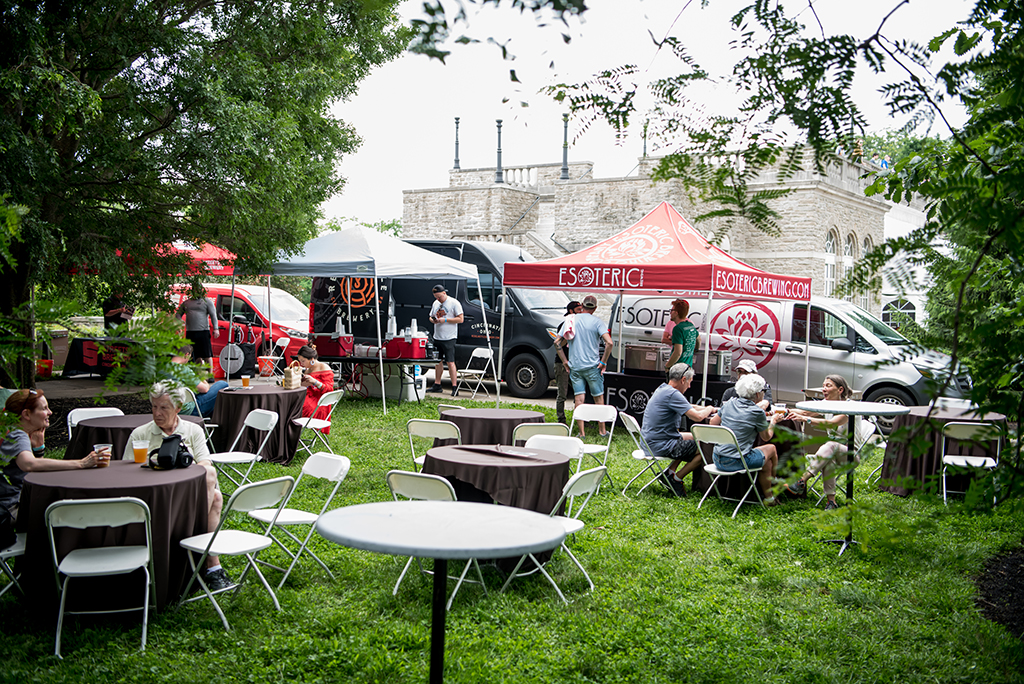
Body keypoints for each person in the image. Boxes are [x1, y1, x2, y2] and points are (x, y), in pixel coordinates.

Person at [124, 383, 230, 590]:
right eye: (154, 407)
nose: (157, 413)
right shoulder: (140, 434)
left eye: (164, 408)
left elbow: (206, 463)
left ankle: (206, 557)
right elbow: (126, 473)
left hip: (186, 497)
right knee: (216, 499)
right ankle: (211, 564)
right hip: (153, 499)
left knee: (210, 476)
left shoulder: (192, 430)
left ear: (179, 407)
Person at [2, 389, 101, 524]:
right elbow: (29, 464)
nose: (50, 412)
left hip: (12, 505)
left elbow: (35, 476)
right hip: (11, 509)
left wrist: (38, 450)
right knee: (74, 511)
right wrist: (81, 463)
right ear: (26, 414)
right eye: (44, 409)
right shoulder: (18, 435)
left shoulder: (8, 429)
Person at [641, 362, 719, 497]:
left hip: (650, 441)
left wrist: (714, 409)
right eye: (689, 382)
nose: (689, 386)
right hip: (660, 445)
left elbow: (688, 405)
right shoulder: (673, 395)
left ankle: (670, 472)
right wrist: (710, 409)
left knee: (693, 436)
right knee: (704, 447)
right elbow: (698, 417)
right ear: (683, 380)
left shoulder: (663, 389)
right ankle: (676, 479)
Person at [709, 373, 783, 507]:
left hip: (717, 458)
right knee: (771, 448)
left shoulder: (729, 403)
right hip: (737, 461)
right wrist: (773, 422)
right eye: (763, 392)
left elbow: (713, 423)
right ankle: (775, 483)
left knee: (765, 462)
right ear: (757, 394)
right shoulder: (757, 412)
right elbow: (766, 437)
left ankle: (769, 498)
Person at [785, 374, 855, 510]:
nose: (824, 389)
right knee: (828, 455)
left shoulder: (849, 407)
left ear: (840, 390)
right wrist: (783, 410)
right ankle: (831, 503)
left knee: (830, 446)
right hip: (832, 452)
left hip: (851, 454)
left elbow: (831, 423)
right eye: (823, 386)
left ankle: (802, 480)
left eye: (828, 386)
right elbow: (805, 412)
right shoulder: (826, 404)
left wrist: (806, 420)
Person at [554, 295, 613, 438]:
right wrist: (603, 361)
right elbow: (609, 343)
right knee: (598, 399)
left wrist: (564, 361)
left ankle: (581, 433)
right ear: (595, 308)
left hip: (575, 366)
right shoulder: (597, 322)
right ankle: (602, 431)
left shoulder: (571, 320)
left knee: (579, 400)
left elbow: (557, 343)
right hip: (593, 366)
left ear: (583, 306)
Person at [426, 284, 464, 396]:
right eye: (436, 297)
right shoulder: (436, 303)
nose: (438, 299)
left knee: (450, 362)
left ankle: (454, 386)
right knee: (438, 362)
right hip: (437, 336)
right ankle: (437, 384)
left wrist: (445, 320)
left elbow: (460, 319)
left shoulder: (454, 303)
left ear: (444, 293)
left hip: (449, 337)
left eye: (439, 297)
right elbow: (430, 316)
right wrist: (433, 320)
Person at [172, 344, 228, 418]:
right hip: (188, 410)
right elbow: (204, 389)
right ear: (186, 355)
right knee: (222, 384)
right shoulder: (183, 369)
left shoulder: (160, 368)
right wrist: (204, 381)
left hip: (167, 407)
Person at [554, 300, 583, 425]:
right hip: (562, 364)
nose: (581, 312)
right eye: (578, 310)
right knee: (562, 394)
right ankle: (561, 420)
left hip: (575, 363)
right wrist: (568, 335)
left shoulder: (579, 323)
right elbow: (559, 344)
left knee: (579, 393)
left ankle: (581, 419)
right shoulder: (565, 324)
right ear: (571, 311)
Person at [294, 345, 334, 432]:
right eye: (300, 361)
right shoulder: (308, 370)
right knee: (289, 403)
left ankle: (292, 434)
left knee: (293, 409)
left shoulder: (324, 367)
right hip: (308, 397)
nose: (301, 364)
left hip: (318, 402)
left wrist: (314, 381)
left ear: (311, 359)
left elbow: (329, 389)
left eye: (303, 361)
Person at [176, 292, 220, 366]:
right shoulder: (187, 303)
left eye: (199, 290)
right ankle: (198, 373)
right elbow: (178, 314)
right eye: (195, 290)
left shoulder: (207, 302)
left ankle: (210, 374)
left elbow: (213, 315)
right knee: (194, 355)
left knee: (207, 355)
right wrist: (179, 321)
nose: (197, 291)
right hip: (191, 332)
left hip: (203, 331)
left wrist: (216, 328)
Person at [665, 299, 699, 369]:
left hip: (678, 368)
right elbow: (699, 340)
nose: (670, 313)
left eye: (672, 311)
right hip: (689, 367)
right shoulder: (690, 325)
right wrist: (696, 349)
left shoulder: (678, 328)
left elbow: (678, 353)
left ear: (676, 313)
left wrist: (667, 366)